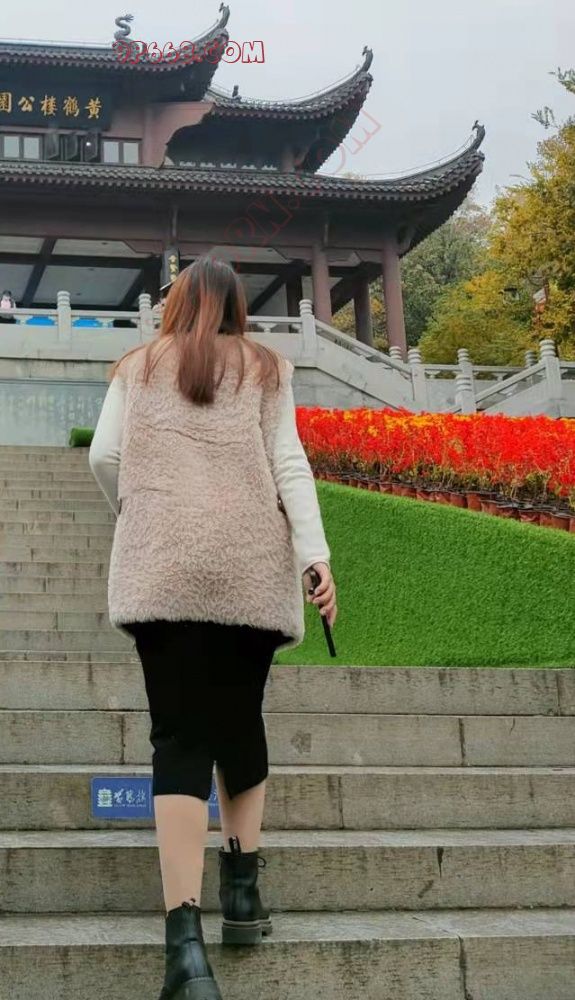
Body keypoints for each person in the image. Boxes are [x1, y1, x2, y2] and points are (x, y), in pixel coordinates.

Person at [88, 255, 336, 1000]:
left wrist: (141, 513)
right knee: (239, 722)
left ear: (177, 303)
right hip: (247, 568)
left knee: (178, 740)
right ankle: (243, 897)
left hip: (161, 570)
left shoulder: (137, 366)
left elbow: (104, 455)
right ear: (236, 306)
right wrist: (315, 557)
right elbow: (289, 464)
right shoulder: (266, 368)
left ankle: (185, 950)